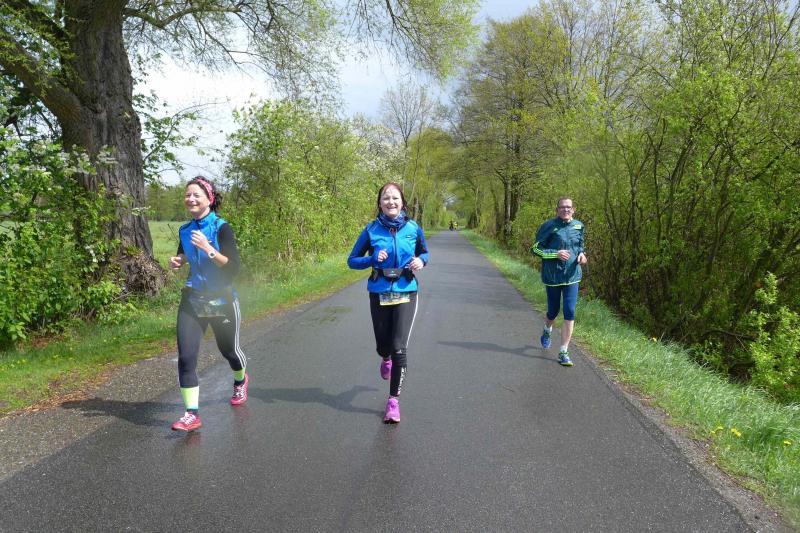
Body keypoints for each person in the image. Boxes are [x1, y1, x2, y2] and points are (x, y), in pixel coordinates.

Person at [168, 176, 248, 431]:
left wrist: (208, 248)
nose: (190, 199)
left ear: (209, 199)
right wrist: (179, 261)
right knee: (186, 357)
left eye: (196, 195)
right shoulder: (185, 230)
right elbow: (184, 254)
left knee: (229, 351)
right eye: (187, 195)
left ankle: (240, 380)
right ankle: (191, 414)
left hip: (221, 300)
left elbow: (233, 268)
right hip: (193, 299)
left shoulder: (222, 228)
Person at [347, 182, 429, 423]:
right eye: (386, 198)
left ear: (402, 202)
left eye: (395, 198)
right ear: (380, 203)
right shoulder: (371, 230)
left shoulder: (413, 228)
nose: (391, 202)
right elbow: (352, 260)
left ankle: (393, 402)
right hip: (379, 292)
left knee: (398, 346)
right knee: (384, 346)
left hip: (406, 291)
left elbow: (424, 252)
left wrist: (421, 261)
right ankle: (385, 358)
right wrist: (372, 259)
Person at [531, 197, 587, 366]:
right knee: (553, 312)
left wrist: (582, 255)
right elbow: (535, 248)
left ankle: (563, 351)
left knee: (570, 311)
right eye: (562, 207)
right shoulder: (549, 226)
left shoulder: (579, 226)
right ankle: (547, 329)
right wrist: (555, 254)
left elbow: (580, 246)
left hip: (572, 275)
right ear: (557, 210)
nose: (565, 209)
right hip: (553, 276)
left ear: (573, 209)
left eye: (568, 207)